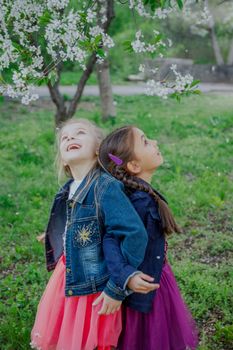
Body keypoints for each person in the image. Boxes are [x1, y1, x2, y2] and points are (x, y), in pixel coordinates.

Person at [30, 119, 159, 350]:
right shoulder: (68, 188)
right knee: (67, 331)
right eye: (65, 138)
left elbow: (134, 234)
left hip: (95, 285)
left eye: (80, 133)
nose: (70, 138)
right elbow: (75, 220)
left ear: (98, 148)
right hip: (68, 273)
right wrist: (57, 234)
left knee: (88, 337)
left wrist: (118, 287)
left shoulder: (106, 187)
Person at [98, 125, 199, 350]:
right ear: (134, 165)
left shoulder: (143, 194)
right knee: (146, 338)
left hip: (156, 276)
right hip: (143, 284)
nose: (155, 142)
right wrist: (124, 277)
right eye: (145, 141)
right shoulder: (138, 202)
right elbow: (111, 239)